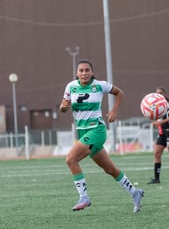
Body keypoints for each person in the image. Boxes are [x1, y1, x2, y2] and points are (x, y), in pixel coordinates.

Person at [60, 59, 144, 213]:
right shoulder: (70, 86)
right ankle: (135, 192)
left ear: (92, 72)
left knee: (71, 159)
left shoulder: (100, 85)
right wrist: (63, 107)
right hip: (83, 132)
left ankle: (84, 197)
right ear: (77, 73)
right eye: (81, 70)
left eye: (87, 70)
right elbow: (63, 107)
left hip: (96, 131)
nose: (84, 73)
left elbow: (119, 92)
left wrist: (114, 111)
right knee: (110, 169)